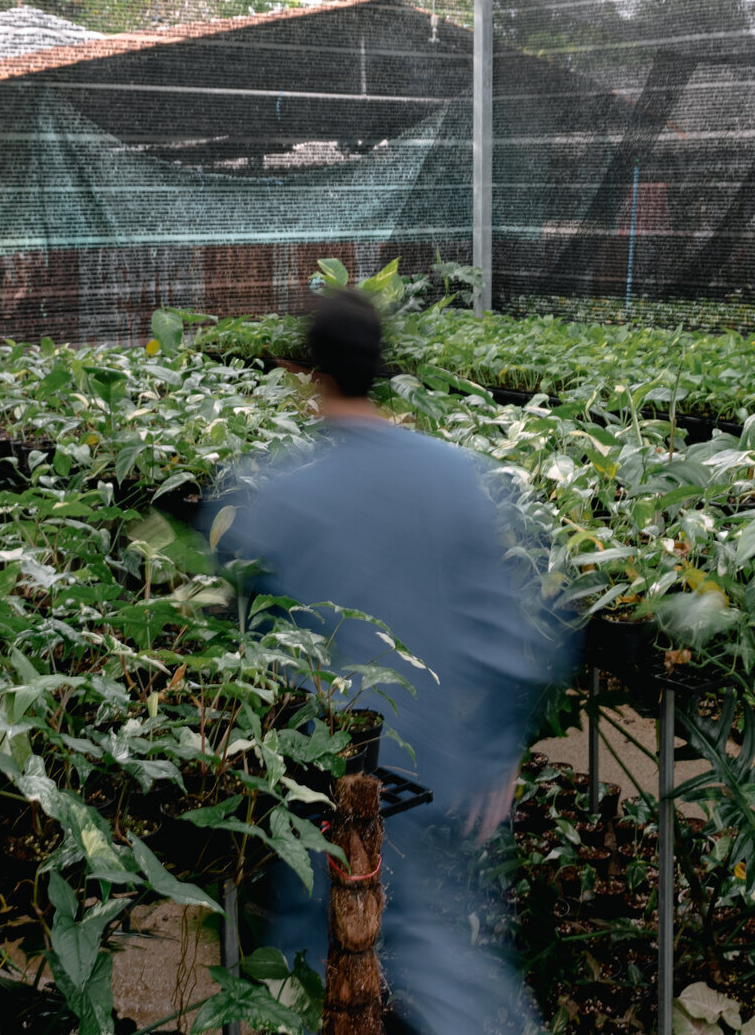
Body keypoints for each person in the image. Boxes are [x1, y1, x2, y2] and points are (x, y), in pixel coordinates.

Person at [202, 289, 575, 1035]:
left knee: (308, 955)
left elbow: (231, 611)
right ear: (383, 369)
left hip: (317, 776)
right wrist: (496, 751)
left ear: (310, 375)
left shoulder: (281, 492)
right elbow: (520, 632)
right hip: (426, 770)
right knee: (438, 954)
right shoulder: (455, 476)